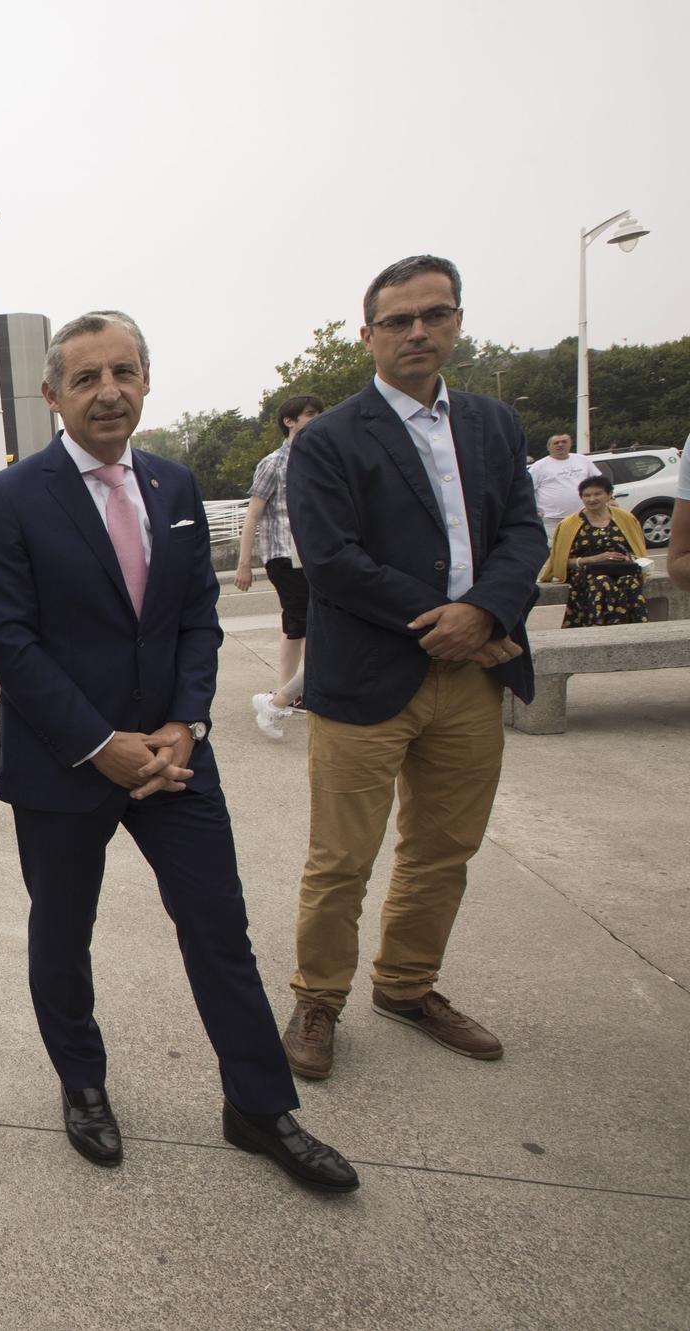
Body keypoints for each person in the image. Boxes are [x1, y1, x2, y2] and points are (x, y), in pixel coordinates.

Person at [0, 313, 357, 1196]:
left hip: (177, 763)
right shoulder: (13, 497)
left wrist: (188, 723)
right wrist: (100, 744)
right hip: (67, 763)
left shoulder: (176, 485)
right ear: (53, 395)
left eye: (124, 372)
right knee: (63, 934)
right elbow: (10, 639)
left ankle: (259, 1105)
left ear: (146, 380)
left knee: (219, 927)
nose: (109, 390)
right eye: (87, 377)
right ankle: (84, 1083)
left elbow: (194, 621)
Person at [283, 256, 546, 1081]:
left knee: (443, 847)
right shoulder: (327, 440)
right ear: (369, 335)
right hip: (368, 680)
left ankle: (405, 984)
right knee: (341, 859)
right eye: (399, 321)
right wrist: (453, 623)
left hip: (475, 676)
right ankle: (318, 998)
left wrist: (488, 612)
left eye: (435, 315)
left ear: (458, 323)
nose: (418, 332)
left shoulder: (494, 426)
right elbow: (332, 561)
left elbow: (524, 534)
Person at [234, 394, 323, 739]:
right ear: (289, 421)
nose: (316, 419)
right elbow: (253, 514)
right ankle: (285, 696)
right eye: (309, 414)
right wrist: (245, 563)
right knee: (304, 622)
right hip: (284, 555)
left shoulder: (317, 459)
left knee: (297, 625)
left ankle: (286, 692)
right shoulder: (273, 463)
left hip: (312, 555)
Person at [543, 475, 648, 626]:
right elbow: (560, 562)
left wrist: (627, 559)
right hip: (587, 573)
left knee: (629, 581)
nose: (592, 499)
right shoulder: (569, 524)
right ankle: (599, 628)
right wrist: (595, 559)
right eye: (587, 495)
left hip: (623, 570)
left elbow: (639, 553)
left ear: (609, 495)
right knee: (602, 582)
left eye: (597, 494)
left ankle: (631, 630)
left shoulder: (626, 519)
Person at [527, 434, 600, 543]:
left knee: (585, 545)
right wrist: (533, 511)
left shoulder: (582, 460)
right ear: (548, 447)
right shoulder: (539, 466)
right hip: (552, 520)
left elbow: (599, 482)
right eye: (556, 443)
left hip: (583, 516)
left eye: (564, 442)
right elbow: (526, 490)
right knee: (555, 550)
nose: (560, 445)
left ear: (570, 444)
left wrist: (611, 499)